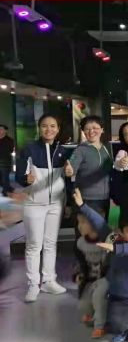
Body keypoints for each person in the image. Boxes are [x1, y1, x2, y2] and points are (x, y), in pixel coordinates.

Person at [77, 196, 128, 342]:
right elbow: (100, 224)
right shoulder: (114, 238)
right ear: (121, 231)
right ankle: (126, 323)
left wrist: (115, 248)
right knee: (116, 326)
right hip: (119, 298)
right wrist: (83, 206)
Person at [16, 114, 70, 302]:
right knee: (34, 245)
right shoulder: (29, 149)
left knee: (50, 244)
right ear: (39, 128)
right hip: (34, 203)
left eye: (53, 126)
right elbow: (19, 175)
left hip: (56, 203)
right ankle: (33, 284)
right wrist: (26, 179)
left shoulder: (62, 150)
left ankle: (48, 281)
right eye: (45, 126)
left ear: (58, 129)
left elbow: (67, 177)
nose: (49, 129)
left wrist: (67, 199)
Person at [72, 188, 112, 339]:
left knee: (99, 295)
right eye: (79, 222)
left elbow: (101, 224)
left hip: (106, 279)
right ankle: (92, 313)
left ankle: (100, 326)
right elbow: (79, 262)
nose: (79, 226)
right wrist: (78, 274)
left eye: (83, 222)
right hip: (90, 280)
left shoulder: (108, 237)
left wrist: (83, 206)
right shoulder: (80, 243)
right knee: (84, 305)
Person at [65, 115, 113, 218]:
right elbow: (71, 169)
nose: (91, 131)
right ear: (83, 131)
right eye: (87, 129)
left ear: (102, 130)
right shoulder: (80, 150)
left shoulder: (107, 147)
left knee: (102, 227)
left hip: (105, 198)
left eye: (95, 128)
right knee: (87, 228)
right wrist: (69, 171)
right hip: (86, 199)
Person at [0, 124, 14, 196]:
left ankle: (5, 191)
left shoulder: (9, 140)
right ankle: (8, 187)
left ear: (5, 131)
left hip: (5, 160)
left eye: (1, 129)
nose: (0, 130)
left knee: (5, 176)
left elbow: (11, 150)